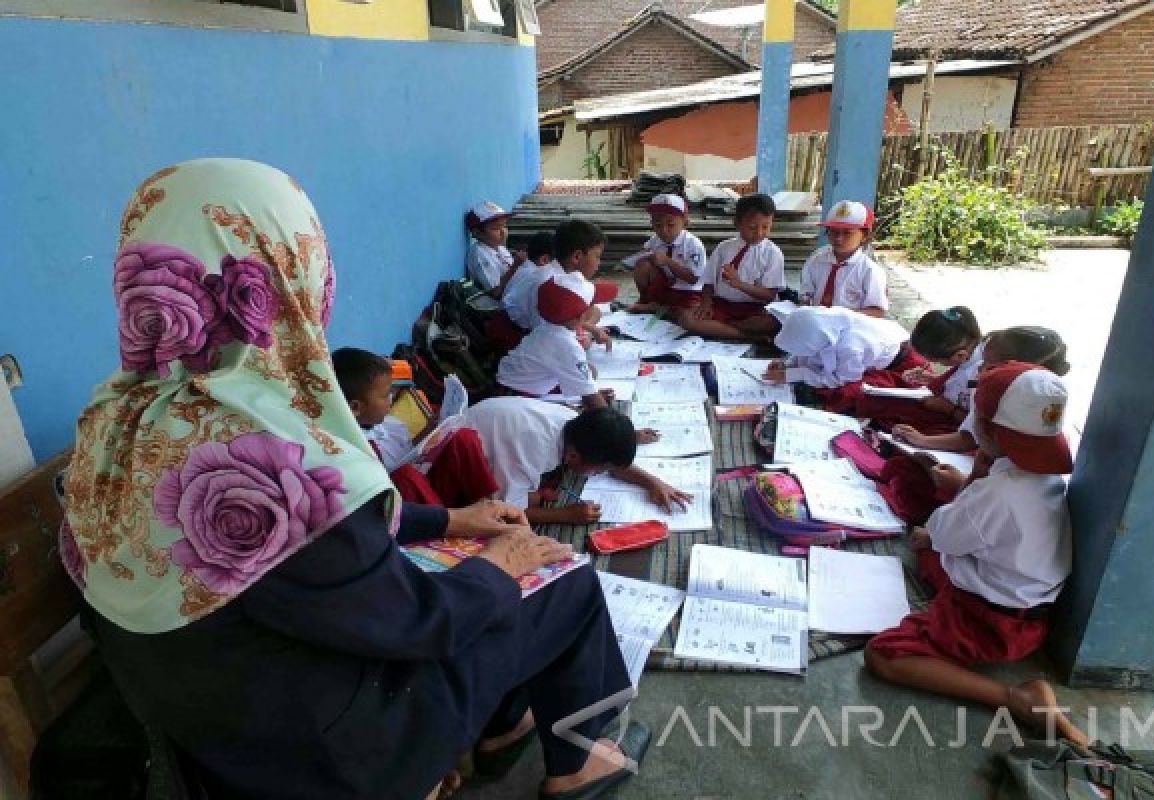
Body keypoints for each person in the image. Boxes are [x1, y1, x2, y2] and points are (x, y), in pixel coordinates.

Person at [61, 158, 652, 800]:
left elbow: (316, 556)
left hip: (206, 727)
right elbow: (421, 622)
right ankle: (578, 764)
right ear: (290, 273)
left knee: (478, 563)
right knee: (562, 581)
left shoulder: (113, 416)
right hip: (328, 749)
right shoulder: (269, 453)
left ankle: (505, 726)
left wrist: (450, 519)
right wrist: (503, 561)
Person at [865, 362, 1089, 748]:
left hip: (990, 624)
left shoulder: (997, 492)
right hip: (1024, 608)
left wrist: (965, 489)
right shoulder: (1041, 477)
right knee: (926, 540)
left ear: (984, 429)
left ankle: (1016, 699)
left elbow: (947, 532)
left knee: (883, 655)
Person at [462, 397, 691, 527]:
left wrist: (653, 482)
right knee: (522, 505)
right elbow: (507, 512)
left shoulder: (575, 423)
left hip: (484, 426)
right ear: (572, 456)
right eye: (599, 470)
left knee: (534, 496)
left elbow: (610, 457)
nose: (599, 473)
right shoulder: (533, 451)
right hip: (445, 462)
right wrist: (566, 515)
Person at [332, 347, 500, 508]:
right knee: (406, 477)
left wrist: (432, 430)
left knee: (463, 438)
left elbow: (408, 450)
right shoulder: (354, 447)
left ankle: (490, 507)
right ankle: (464, 527)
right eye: (385, 395)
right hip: (417, 508)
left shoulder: (383, 423)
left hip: (431, 486)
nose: (391, 399)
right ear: (355, 408)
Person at [894, 325, 1071, 454]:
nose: (979, 369)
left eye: (987, 365)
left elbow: (969, 439)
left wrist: (922, 440)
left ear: (1012, 369)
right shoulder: (1030, 389)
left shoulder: (1002, 392)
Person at [854, 306, 984, 436]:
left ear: (960, 356)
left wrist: (948, 408)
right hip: (940, 403)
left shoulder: (980, 376)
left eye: (937, 361)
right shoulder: (970, 354)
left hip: (956, 423)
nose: (934, 364)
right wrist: (933, 379)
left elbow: (981, 427)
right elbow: (959, 386)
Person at [677, 193, 787, 341]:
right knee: (686, 318)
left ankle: (723, 328)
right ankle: (749, 336)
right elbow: (708, 281)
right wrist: (706, 303)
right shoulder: (724, 248)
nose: (759, 233)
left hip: (755, 309)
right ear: (737, 223)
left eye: (766, 227)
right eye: (752, 227)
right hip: (723, 305)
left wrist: (739, 284)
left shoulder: (773, 253)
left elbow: (769, 295)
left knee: (773, 322)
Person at [496, 275, 609, 409]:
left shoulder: (547, 327)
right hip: (516, 400)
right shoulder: (566, 345)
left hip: (510, 386)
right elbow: (597, 407)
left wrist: (591, 393)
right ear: (581, 316)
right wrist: (593, 397)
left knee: (590, 372)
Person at [507, 219, 617, 348]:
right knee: (584, 343)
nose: (599, 263)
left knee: (594, 311)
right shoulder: (549, 284)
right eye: (597, 256)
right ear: (577, 256)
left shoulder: (560, 276)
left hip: (534, 326)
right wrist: (583, 336)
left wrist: (592, 329)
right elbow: (546, 331)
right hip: (516, 336)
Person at [764, 305, 913, 389]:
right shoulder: (824, 325)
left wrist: (795, 374)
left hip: (893, 356)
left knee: (843, 395)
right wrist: (787, 364)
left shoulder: (851, 348)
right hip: (852, 347)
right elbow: (809, 346)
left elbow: (841, 379)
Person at [796, 200, 888, 317]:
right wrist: (806, 305)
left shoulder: (870, 270)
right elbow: (806, 295)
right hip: (816, 321)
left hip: (852, 327)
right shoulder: (816, 259)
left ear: (865, 236)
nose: (838, 239)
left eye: (847, 233)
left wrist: (839, 318)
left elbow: (877, 311)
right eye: (833, 232)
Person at [628, 193, 706, 313]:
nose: (664, 230)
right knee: (642, 265)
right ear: (651, 223)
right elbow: (645, 256)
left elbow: (693, 279)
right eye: (658, 225)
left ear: (685, 223)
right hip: (664, 287)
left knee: (687, 313)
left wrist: (667, 261)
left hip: (687, 291)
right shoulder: (655, 240)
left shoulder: (693, 244)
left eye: (671, 224)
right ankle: (646, 300)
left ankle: (659, 308)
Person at [490, 231, 555, 354]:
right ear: (544, 260)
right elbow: (542, 328)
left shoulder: (528, 268)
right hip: (512, 336)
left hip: (506, 326)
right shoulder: (540, 279)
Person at [465, 200, 524, 299]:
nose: (503, 232)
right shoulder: (479, 253)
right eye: (496, 228)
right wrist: (515, 266)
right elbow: (495, 293)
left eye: (504, 226)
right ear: (477, 233)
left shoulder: (500, 247)